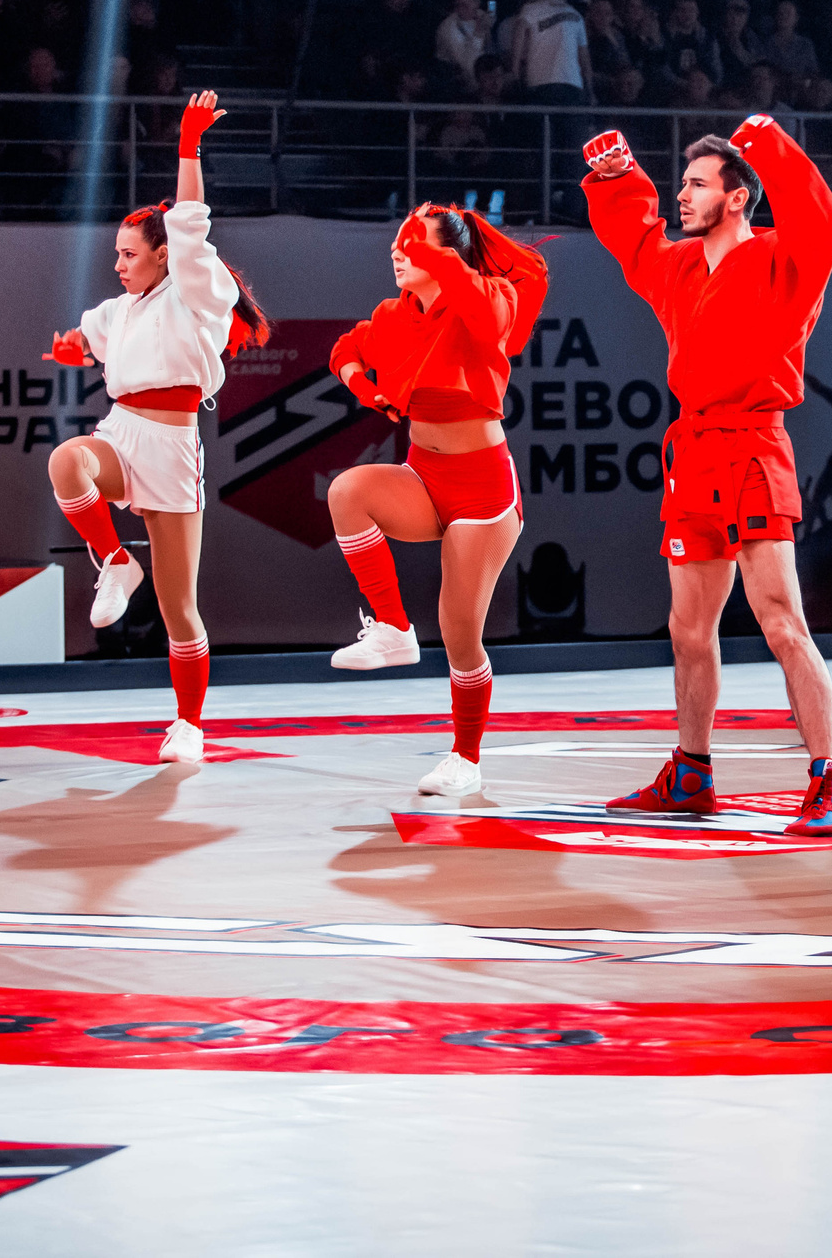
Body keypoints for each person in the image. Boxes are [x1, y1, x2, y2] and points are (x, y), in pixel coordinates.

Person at [579, 115, 832, 835]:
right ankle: (692, 770)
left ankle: (829, 777)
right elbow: (635, 239)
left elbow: (822, 223)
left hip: (756, 448)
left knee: (781, 621)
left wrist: (765, 141)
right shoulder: (676, 268)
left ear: (736, 198)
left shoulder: (783, 261)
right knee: (688, 629)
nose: (681, 195)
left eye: (697, 184)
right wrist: (619, 176)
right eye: (680, 183)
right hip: (694, 455)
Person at [41, 91, 271, 767]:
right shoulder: (120, 309)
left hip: (172, 447)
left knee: (179, 608)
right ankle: (115, 561)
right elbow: (87, 337)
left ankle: (190, 723)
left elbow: (191, 221)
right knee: (66, 463)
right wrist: (70, 350)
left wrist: (188, 147)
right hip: (121, 431)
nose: (118, 262)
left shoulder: (197, 290)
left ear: (163, 256)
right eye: (114, 252)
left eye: (129, 253)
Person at [322, 205, 551, 796]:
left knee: (459, 631)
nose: (398, 251)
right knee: (348, 491)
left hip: (483, 488)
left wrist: (439, 260)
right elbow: (344, 347)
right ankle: (394, 629)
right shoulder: (392, 315)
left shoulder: (491, 294)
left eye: (412, 241)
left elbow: (482, 312)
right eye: (397, 242)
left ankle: (466, 759)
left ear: (445, 254)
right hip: (423, 474)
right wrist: (364, 387)